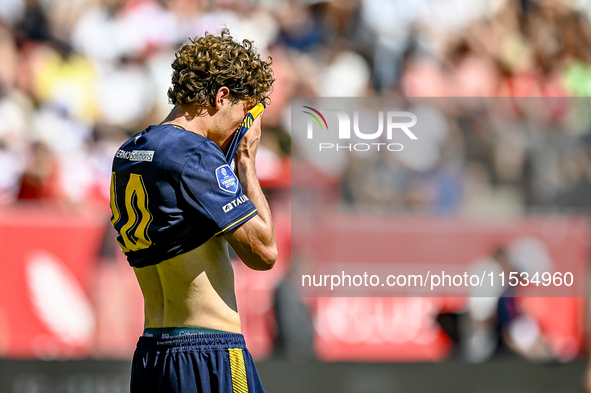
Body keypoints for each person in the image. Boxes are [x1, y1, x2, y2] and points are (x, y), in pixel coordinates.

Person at [109, 29, 276, 393]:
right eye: (245, 112)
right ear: (221, 97)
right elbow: (264, 253)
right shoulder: (193, 154)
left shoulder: (128, 153)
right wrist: (246, 160)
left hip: (153, 355)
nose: (242, 127)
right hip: (208, 353)